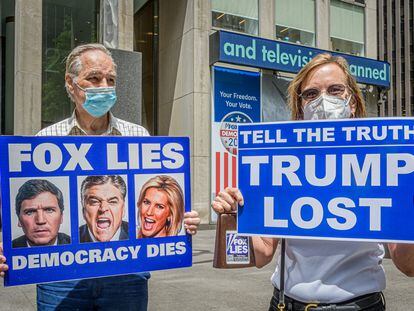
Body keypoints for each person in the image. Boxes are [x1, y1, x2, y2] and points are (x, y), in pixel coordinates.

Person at [0, 43, 200, 310]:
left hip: (127, 277)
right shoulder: (44, 142)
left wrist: (182, 222)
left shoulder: (138, 136)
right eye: (94, 78)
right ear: (71, 85)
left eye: (111, 80)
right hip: (61, 280)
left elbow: (161, 199)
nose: (104, 86)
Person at [212, 53, 388, 310]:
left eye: (335, 89)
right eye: (311, 93)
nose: (323, 100)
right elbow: (262, 255)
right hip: (287, 303)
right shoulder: (280, 163)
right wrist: (234, 214)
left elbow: (408, 264)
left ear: (352, 101)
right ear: (301, 105)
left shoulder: (384, 160)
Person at [12, 179, 70, 248]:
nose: (40, 220)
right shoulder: (7, 250)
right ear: (19, 219)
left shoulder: (79, 245)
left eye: (49, 210)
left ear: (61, 217)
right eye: (30, 212)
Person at [79, 175, 129, 243]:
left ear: (123, 209)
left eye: (112, 202)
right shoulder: (71, 239)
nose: (103, 208)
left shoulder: (138, 235)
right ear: (83, 211)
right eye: (94, 202)